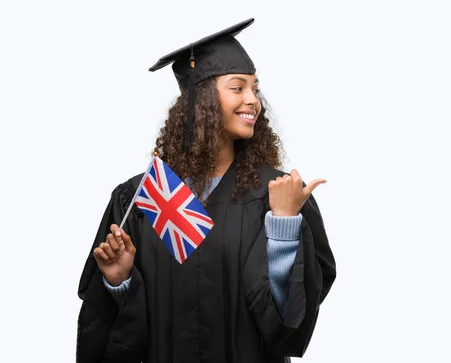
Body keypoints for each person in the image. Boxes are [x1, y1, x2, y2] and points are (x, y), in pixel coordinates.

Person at [75, 18, 336, 363]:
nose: (253, 101)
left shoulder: (276, 195)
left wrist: (284, 226)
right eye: (238, 87)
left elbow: (288, 323)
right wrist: (120, 281)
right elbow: (115, 331)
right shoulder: (144, 197)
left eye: (255, 89)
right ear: (201, 100)